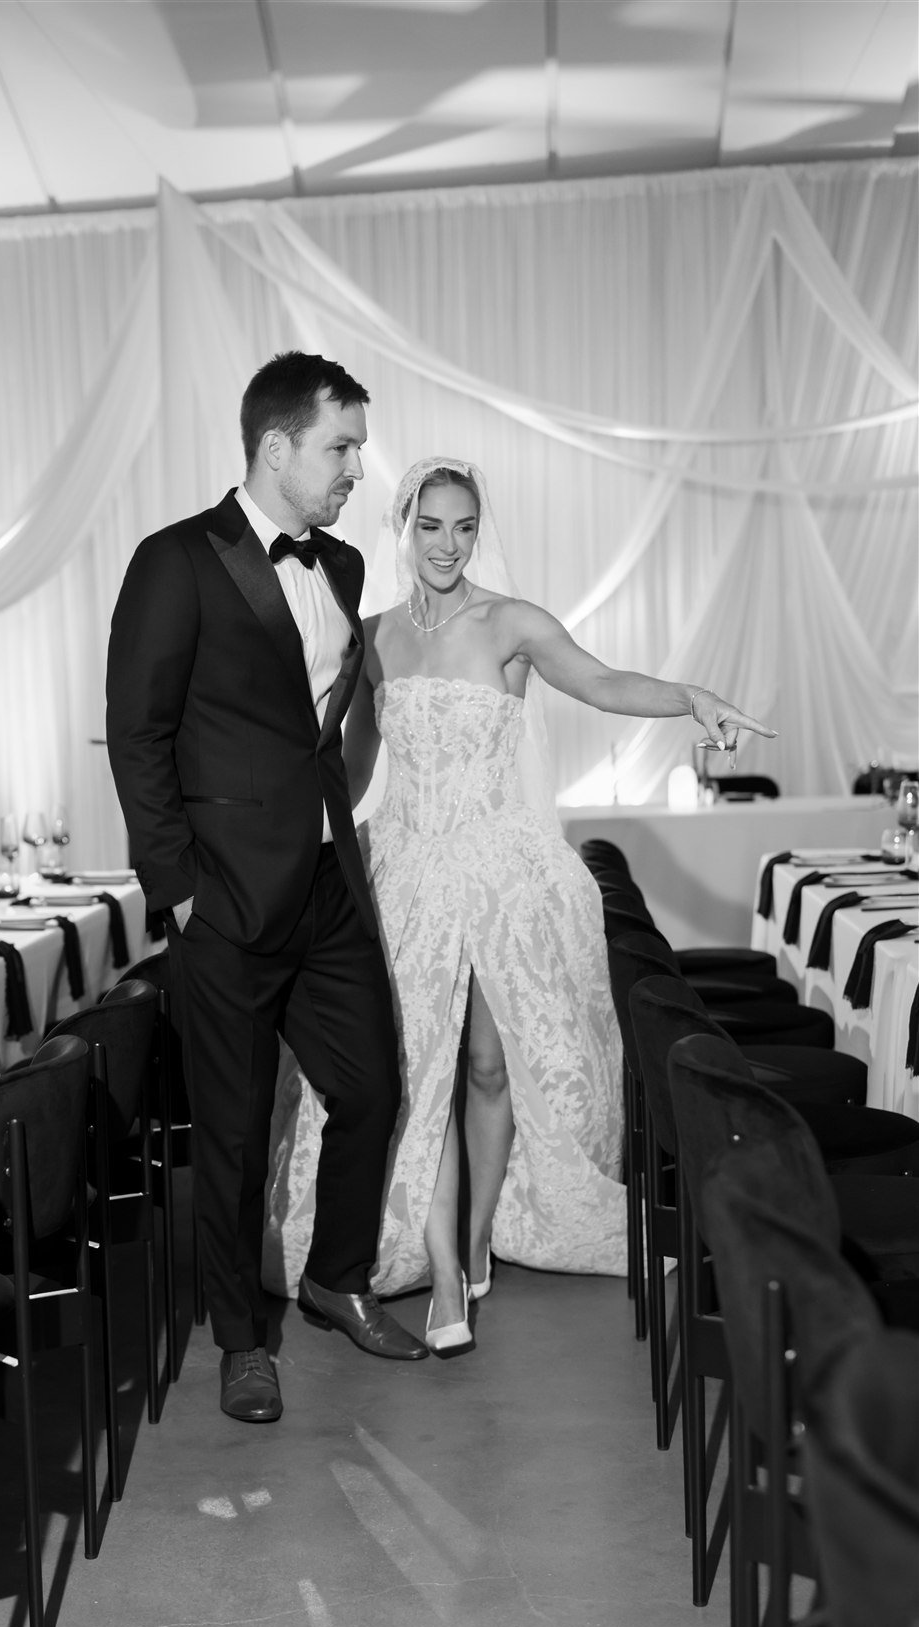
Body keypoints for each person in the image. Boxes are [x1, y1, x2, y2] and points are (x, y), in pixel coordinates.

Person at [263, 457, 775, 1354]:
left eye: (463, 527)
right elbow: (350, 766)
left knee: (486, 1066)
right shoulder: (371, 636)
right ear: (403, 526)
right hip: (404, 871)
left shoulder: (510, 623)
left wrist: (690, 700)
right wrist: (292, 845)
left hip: (498, 868)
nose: (447, 545)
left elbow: (601, 682)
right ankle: (445, 1278)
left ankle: (473, 1241)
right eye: (430, 526)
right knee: (416, 1071)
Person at [106, 354, 428, 1426]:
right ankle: (242, 1339)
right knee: (235, 1134)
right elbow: (139, 733)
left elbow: (316, 725)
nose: (356, 470)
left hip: (328, 880)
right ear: (276, 447)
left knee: (371, 1088)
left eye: (358, 449)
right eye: (342, 447)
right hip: (226, 899)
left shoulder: (342, 565)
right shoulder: (174, 561)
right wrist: (178, 889)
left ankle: (336, 1277)